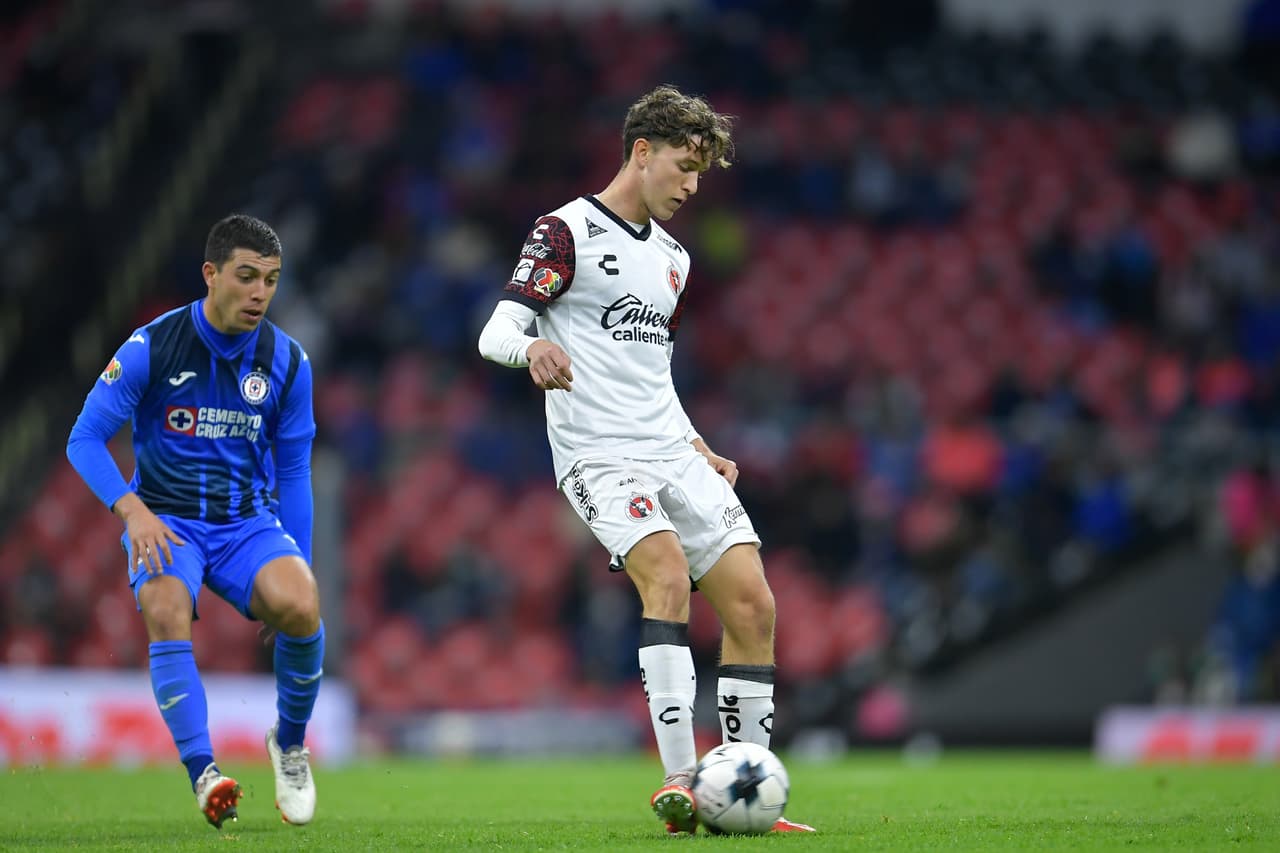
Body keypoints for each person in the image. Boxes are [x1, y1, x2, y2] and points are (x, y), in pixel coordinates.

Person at [478, 85, 814, 835]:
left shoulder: (674, 261)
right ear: (642, 151)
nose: (693, 187)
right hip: (598, 455)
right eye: (685, 167)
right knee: (665, 574)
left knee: (755, 603)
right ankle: (679, 778)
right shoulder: (564, 230)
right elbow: (494, 330)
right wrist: (531, 344)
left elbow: (652, 373)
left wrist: (696, 441)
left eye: (701, 173)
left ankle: (745, 792)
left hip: (669, 445)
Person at [66, 214, 322, 829]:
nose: (260, 292)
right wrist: (133, 513)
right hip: (167, 519)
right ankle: (204, 773)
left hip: (244, 523)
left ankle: (289, 746)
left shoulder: (287, 362)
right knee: (164, 609)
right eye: (246, 276)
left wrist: (300, 569)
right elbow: (84, 440)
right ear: (211, 275)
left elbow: (294, 475)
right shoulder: (152, 346)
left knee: (304, 606)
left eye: (271, 279)